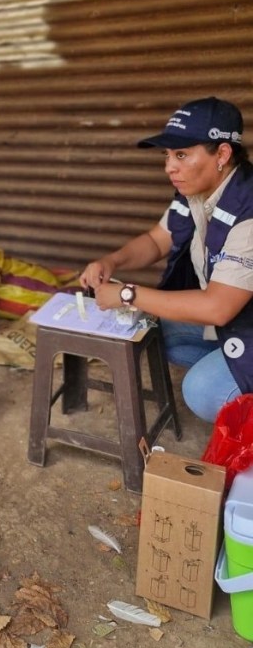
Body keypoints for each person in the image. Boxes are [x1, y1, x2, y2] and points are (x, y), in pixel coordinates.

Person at [80, 97, 253, 423]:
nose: (169, 166)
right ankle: (232, 365)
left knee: (201, 391)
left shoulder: (249, 208)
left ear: (223, 154)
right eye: (168, 155)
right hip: (239, 323)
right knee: (156, 330)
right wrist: (111, 261)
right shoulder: (196, 190)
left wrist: (127, 294)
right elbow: (157, 240)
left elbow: (218, 308)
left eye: (182, 154)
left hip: (238, 319)